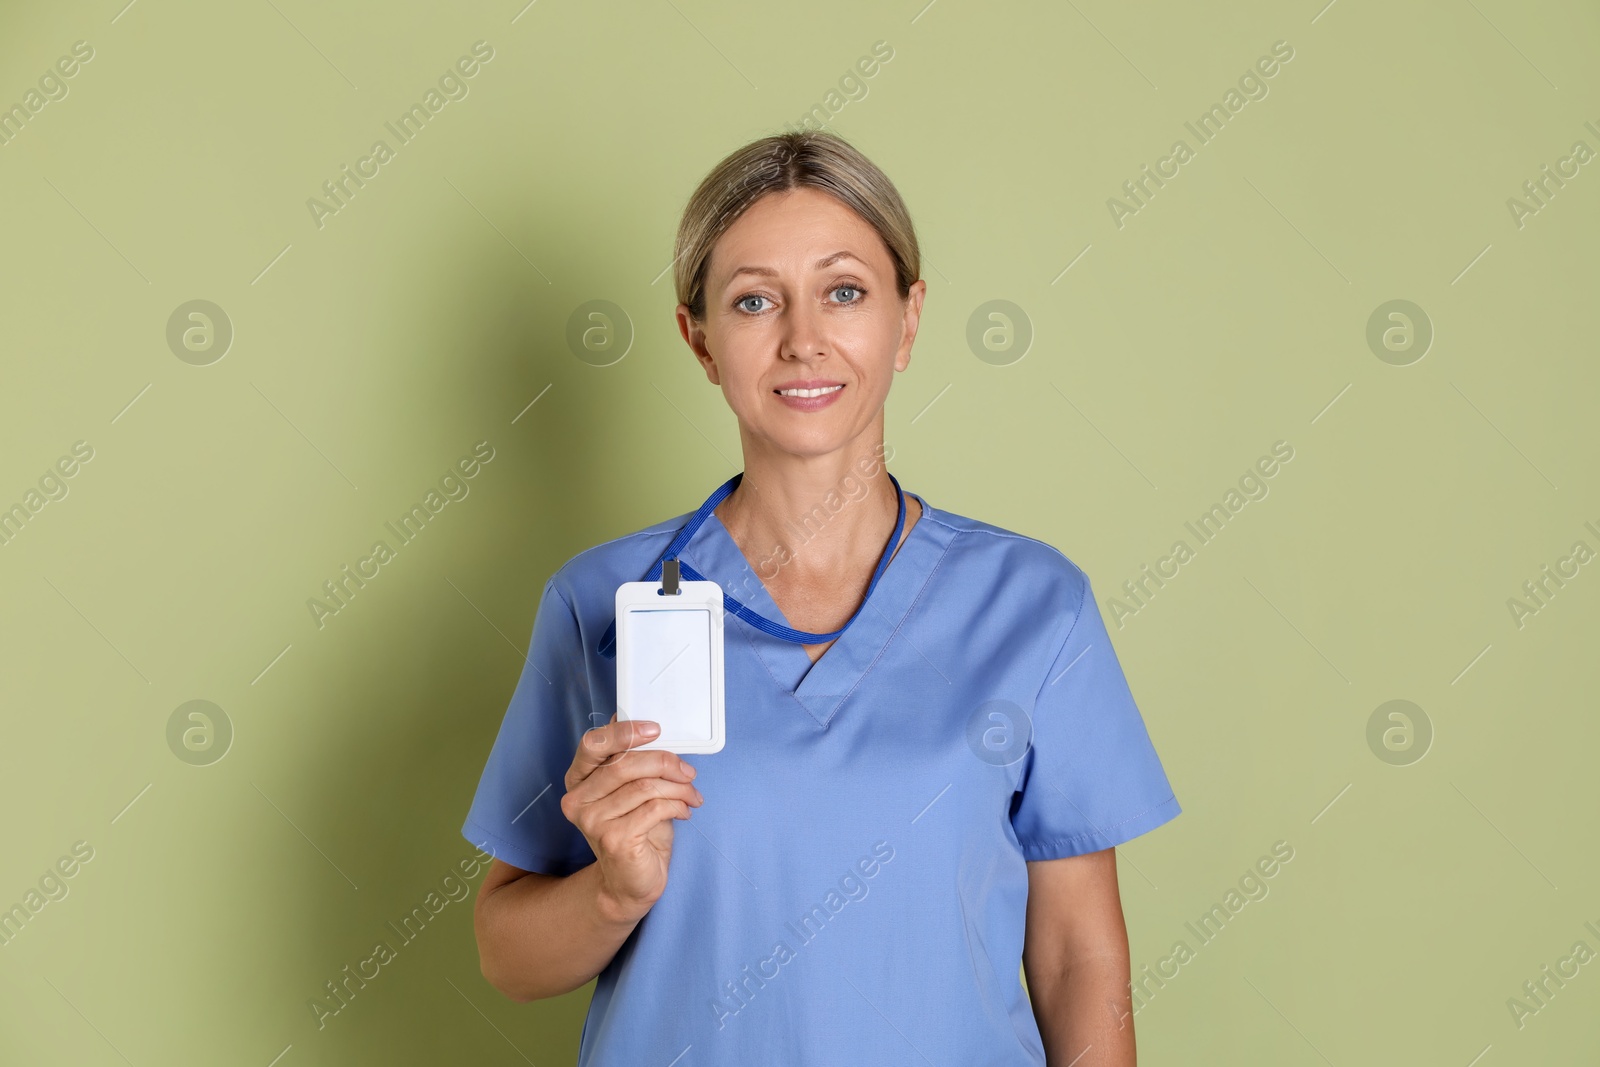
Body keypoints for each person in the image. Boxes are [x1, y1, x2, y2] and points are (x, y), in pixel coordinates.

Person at [462, 130, 1181, 1066]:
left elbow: (1079, 958)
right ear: (700, 339)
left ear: (908, 319)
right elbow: (506, 953)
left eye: (844, 291)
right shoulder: (603, 602)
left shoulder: (1034, 606)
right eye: (754, 300)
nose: (804, 339)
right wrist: (611, 891)